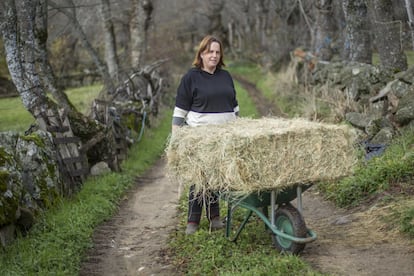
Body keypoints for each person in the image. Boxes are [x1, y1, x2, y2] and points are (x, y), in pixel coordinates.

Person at [172, 35, 239, 234]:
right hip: (200, 137)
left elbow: (235, 106)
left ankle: (215, 217)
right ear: (201, 54)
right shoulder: (191, 78)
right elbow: (180, 111)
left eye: (217, 52)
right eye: (210, 52)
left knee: (216, 177)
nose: (214, 56)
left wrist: (239, 128)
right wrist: (176, 138)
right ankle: (193, 221)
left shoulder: (225, 76)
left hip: (224, 137)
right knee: (200, 178)